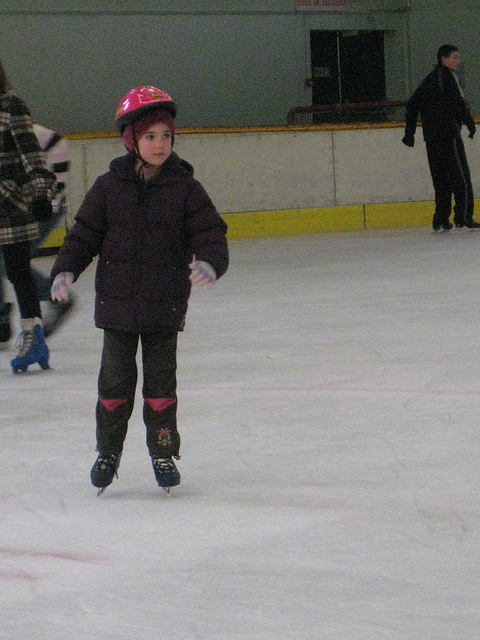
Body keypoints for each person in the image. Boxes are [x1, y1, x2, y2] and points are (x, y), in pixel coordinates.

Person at [50, 86, 229, 493]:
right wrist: (65, 271)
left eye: (166, 135)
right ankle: (108, 451)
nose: (160, 144)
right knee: (113, 385)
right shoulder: (109, 187)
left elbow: (210, 231)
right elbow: (84, 235)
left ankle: (162, 452)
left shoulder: (185, 188)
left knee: (161, 388)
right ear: (131, 139)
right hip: (117, 308)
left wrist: (210, 261)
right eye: (150, 136)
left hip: (164, 306)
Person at [0, 60, 56, 371]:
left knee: (18, 271)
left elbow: (31, 152)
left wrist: (40, 192)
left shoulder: (10, 105)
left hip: (10, 204)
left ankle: (33, 337)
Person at [0, 122, 73, 346]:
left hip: (41, 208)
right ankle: (1, 323)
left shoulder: (21, 129)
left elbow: (57, 144)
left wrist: (47, 196)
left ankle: (56, 296)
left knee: (9, 261)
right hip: (13, 207)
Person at [402, 44, 480, 231]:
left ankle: (440, 218)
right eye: (454, 57)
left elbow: (412, 104)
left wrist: (409, 133)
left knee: (441, 179)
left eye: (458, 58)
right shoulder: (447, 77)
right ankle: (464, 217)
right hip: (448, 136)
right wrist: (470, 123)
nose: (458, 61)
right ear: (443, 59)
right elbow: (457, 104)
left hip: (432, 138)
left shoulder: (429, 79)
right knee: (461, 179)